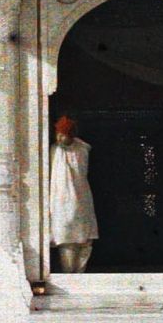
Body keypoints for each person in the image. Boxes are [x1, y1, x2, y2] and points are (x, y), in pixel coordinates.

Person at [47, 115, 98, 273]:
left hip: (81, 200)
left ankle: (79, 276)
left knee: (84, 242)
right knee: (67, 241)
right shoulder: (54, 151)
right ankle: (70, 277)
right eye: (59, 134)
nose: (61, 138)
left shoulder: (81, 150)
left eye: (64, 134)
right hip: (61, 203)